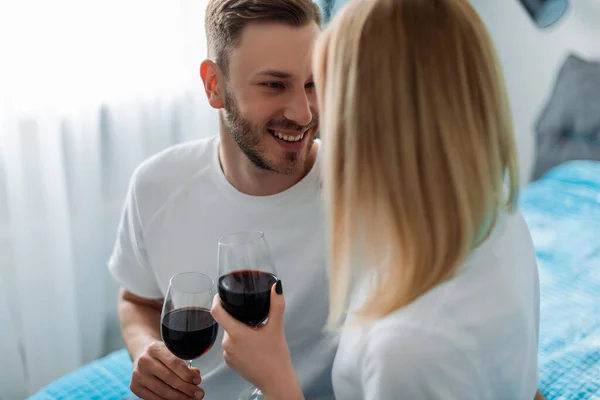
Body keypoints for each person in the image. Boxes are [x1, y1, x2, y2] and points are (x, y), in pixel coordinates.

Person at [210, 0, 544, 399]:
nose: (306, 118)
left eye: (321, 92)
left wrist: (275, 376)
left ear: (368, 127)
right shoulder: (497, 218)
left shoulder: (407, 353)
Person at [107, 1, 339, 399]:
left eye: (313, 83)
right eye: (273, 84)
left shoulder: (362, 190)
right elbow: (137, 300)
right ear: (214, 85)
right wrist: (146, 349)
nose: (303, 114)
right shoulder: (156, 185)